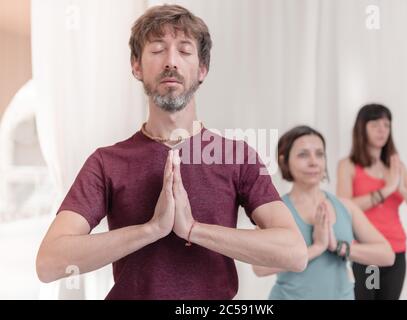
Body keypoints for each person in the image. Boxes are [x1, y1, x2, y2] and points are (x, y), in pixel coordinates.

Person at [35, 4, 308, 300]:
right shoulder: (106, 162)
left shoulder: (236, 156)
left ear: (202, 69)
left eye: (185, 50)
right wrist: (151, 230)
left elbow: (293, 253)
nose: (171, 61)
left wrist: (193, 230)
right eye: (157, 50)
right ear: (136, 66)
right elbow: (49, 263)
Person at [252, 125, 394, 300]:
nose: (313, 161)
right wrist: (317, 248)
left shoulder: (346, 207)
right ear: (284, 160)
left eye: (319, 154)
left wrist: (339, 248)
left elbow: (387, 255)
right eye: (303, 154)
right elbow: (259, 268)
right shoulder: (273, 209)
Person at [337, 104, 407, 300]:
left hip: (397, 251)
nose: (382, 130)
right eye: (375, 124)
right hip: (367, 252)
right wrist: (386, 190)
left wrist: (404, 190)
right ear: (362, 128)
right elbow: (343, 208)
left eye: (386, 125)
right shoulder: (348, 166)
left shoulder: (397, 168)